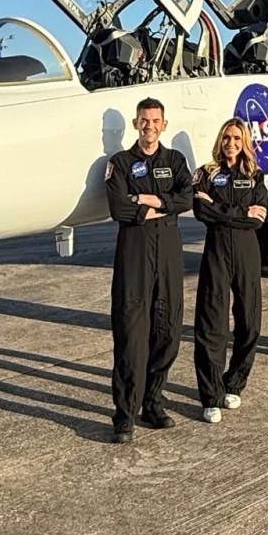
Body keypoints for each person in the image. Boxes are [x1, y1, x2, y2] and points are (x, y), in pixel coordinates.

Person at [105, 97, 193, 443]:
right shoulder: (121, 163)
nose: (149, 126)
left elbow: (187, 197)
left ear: (163, 124)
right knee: (131, 336)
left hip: (169, 252)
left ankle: (152, 403)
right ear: (136, 123)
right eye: (144, 120)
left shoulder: (175, 160)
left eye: (155, 120)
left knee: (169, 329)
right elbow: (118, 207)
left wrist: (149, 200)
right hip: (134, 253)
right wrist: (156, 206)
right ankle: (124, 416)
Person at [192, 118, 268, 423]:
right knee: (212, 323)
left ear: (245, 141)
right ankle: (210, 395)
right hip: (217, 251)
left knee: (249, 321)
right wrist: (240, 212)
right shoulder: (207, 173)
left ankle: (233, 383)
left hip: (248, 251)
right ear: (220, 140)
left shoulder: (255, 176)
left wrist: (220, 210)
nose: (231, 143)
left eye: (237, 138)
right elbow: (200, 210)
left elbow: (259, 218)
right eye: (227, 137)